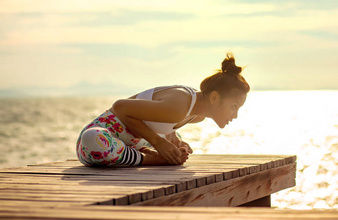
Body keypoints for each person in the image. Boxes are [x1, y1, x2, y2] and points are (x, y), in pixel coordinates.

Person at [76, 53, 250, 167]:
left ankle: (145, 155)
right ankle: (150, 159)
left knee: (173, 144)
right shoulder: (180, 105)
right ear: (214, 98)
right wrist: (159, 144)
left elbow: (159, 121)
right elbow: (119, 107)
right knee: (92, 139)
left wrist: (174, 141)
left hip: (133, 144)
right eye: (233, 107)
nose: (235, 115)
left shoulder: (197, 115)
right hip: (101, 142)